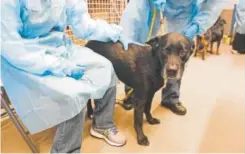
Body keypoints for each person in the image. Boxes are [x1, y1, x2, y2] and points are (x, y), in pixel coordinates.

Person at [1, 0, 134, 152]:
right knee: (72, 95)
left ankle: (103, 124)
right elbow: (10, 47)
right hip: (24, 60)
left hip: (58, 47)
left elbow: (83, 25)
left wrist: (114, 32)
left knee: (105, 68)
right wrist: (58, 65)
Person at [120, 0, 229, 115]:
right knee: (136, 43)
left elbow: (214, 4)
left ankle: (171, 97)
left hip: (184, 7)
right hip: (148, 2)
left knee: (179, 48)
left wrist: (197, 25)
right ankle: (133, 92)